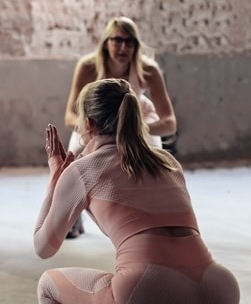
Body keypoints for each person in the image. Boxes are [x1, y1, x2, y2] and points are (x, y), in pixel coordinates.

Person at [29, 78, 240, 304]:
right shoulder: (167, 160)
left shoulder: (84, 170)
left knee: (49, 286)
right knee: (177, 272)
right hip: (218, 293)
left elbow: (43, 246)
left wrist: (56, 177)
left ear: (89, 125)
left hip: (146, 297)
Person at [62, 16, 177, 238]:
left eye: (129, 42)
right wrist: (92, 128)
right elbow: (69, 116)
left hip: (136, 122)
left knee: (154, 160)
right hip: (98, 123)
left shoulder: (149, 70)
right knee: (71, 157)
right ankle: (72, 216)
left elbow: (170, 122)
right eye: (117, 40)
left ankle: (155, 215)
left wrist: (135, 128)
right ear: (106, 42)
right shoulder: (88, 67)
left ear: (136, 45)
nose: (123, 47)